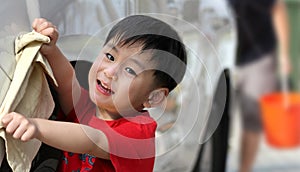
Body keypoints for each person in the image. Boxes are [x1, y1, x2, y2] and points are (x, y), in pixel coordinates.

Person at [1, 15, 187, 172]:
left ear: (153, 97)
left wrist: (36, 127)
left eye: (130, 70)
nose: (110, 72)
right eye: (110, 57)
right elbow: (67, 85)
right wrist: (51, 50)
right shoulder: (90, 110)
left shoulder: (139, 133)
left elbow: (93, 139)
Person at [227, 0, 290, 172]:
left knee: (252, 117)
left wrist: (284, 55)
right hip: (223, 55)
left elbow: (278, 8)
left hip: (258, 56)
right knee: (217, 116)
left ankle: (244, 169)